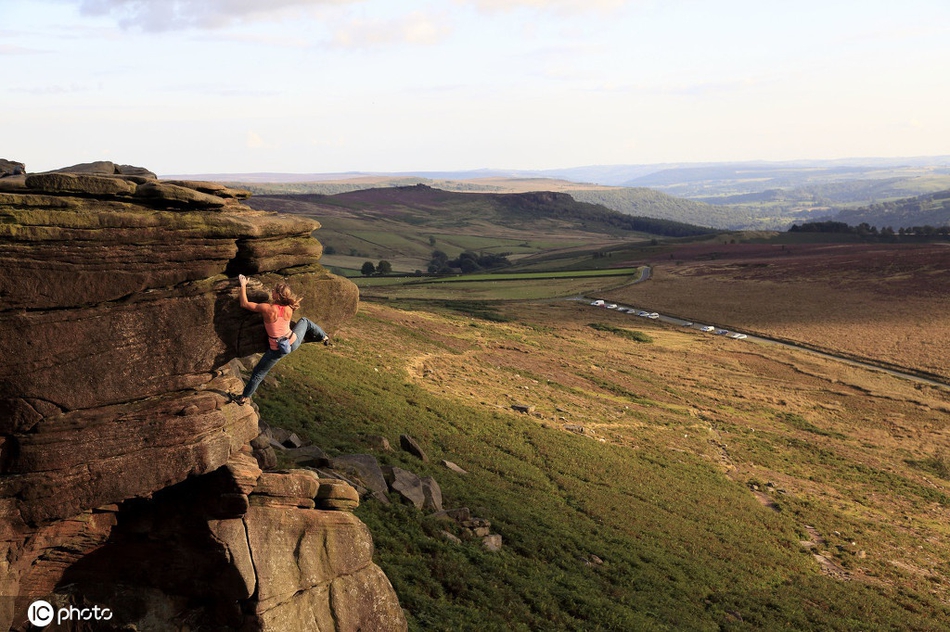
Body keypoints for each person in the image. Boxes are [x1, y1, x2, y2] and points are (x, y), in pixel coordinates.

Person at [232, 274, 330, 405]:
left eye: (274, 290)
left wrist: (243, 285)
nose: (271, 292)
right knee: (305, 321)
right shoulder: (289, 308)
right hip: (292, 342)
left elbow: (244, 303)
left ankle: (243, 398)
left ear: (278, 295)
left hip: (277, 350)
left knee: (258, 374)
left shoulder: (267, 309)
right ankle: (324, 336)